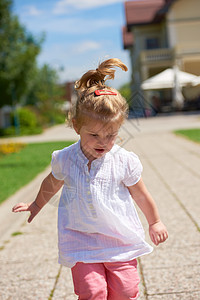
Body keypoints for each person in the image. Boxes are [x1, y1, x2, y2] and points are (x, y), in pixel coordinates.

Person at [12, 58, 168, 300]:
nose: (103, 142)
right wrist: (36, 205)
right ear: (76, 126)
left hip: (120, 240)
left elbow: (140, 193)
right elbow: (51, 183)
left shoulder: (123, 160)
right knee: (92, 292)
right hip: (81, 239)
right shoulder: (66, 159)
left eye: (111, 135)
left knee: (126, 291)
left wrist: (155, 221)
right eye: (94, 134)